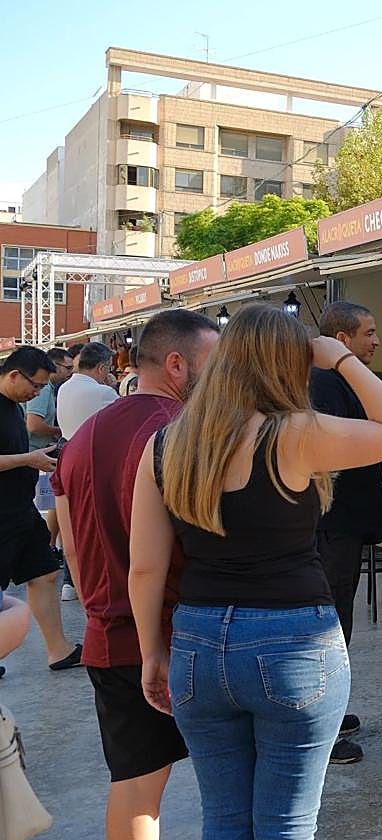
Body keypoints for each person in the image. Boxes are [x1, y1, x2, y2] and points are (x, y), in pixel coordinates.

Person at [128, 304, 382, 838]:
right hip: (292, 639)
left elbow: (146, 568)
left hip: (198, 641)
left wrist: (152, 652)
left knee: (223, 818)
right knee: (286, 823)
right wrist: (341, 359)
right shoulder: (294, 434)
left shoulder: (167, 443)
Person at [54, 310, 219, 840]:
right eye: (214, 363)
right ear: (177, 364)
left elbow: (71, 548)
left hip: (109, 635)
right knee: (233, 782)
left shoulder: (84, 437)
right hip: (187, 633)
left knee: (136, 784)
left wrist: (97, 611)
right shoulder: (187, 433)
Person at [308, 301, 382, 763]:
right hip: (332, 526)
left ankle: (331, 712)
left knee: (338, 619)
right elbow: (340, 446)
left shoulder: (342, 380)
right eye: (369, 332)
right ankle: (323, 726)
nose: (377, 341)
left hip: (344, 524)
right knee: (330, 623)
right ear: (342, 340)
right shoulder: (325, 381)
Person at [0, 346, 82, 671]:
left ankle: (58, 650)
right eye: (35, 386)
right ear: (14, 375)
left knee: (45, 572)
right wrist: (28, 459)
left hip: (21, 509)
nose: (36, 393)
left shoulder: (13, 407)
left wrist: (41, 456)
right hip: (2, 514)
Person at [26, 348, 74, 600]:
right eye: (67, 368)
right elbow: (33, 424)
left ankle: (47, 550)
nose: (70, 373)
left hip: (35, 461)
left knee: (51, 504)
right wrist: (59, 430)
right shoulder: (44, 390)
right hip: (35, 459)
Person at [58, 341, 118, 439]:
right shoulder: (104, 392)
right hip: (93, 447)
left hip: (69, 445)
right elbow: (125, 418)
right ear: (101, 368)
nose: (109, 372)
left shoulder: (64, 387)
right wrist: (111, 388)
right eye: (109, 367)